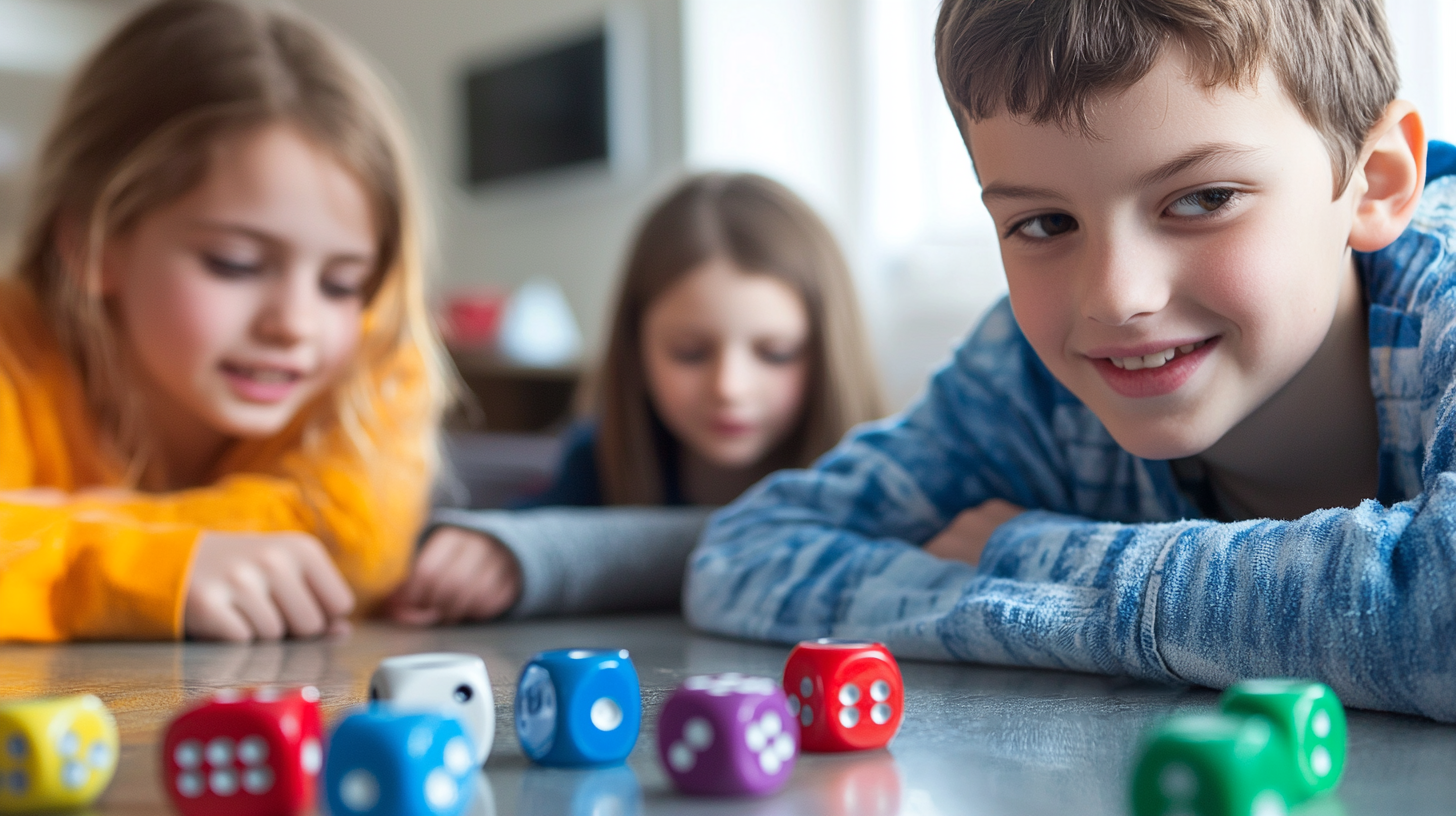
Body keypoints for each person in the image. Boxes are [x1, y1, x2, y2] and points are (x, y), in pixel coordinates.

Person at [687, 0, 1456, 722]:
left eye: (1204, 198)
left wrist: (1032, 559)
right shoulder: (1022, 378)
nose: (1115, 297)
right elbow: (745, 554)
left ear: (1375, 180)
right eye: (1045, 222)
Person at [0, 0, 449, 642]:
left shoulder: (371, 365)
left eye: (340, 283)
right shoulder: (12, 351)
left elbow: (354, 544)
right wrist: (151, 568)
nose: (295, 323)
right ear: (92, 246)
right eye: (234, 264)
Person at [389, 173, 884, 624]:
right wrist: (473, 557)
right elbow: (519, 536)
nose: (729, 387)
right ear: (635, 348)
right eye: (689, 353)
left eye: (776, 353)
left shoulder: (889, 478)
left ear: (827, 355)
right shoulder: (597, 458)